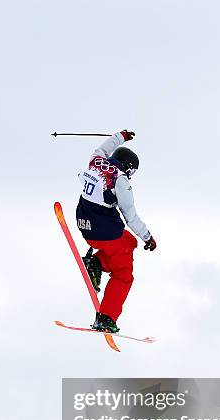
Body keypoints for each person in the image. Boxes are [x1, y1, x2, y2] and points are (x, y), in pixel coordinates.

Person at [76, 129, 157, 333]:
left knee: (129, 242)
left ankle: (96, 263)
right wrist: (148, 236)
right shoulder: (121, 180)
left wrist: (120, 136)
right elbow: (130, 215)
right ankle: (107, 317)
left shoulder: (96, 160)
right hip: (104, 230)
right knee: (124, 274)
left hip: (84, 223)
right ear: (129, 167)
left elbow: (103, 148)